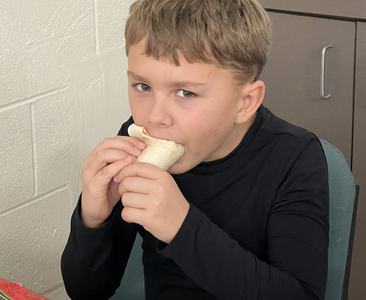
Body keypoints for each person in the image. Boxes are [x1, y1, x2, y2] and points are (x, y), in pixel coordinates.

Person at [61, 0, 329, 299]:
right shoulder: (136, 139)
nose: (155, 117)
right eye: (143, 87)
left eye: (186, 92)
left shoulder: (294, 158)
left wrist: (181, 226)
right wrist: (94, 220)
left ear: (246, 102)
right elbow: (86, 291)